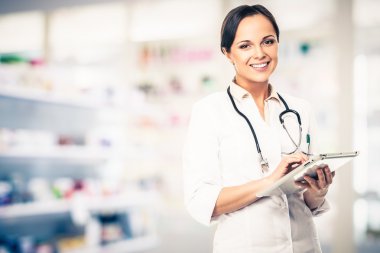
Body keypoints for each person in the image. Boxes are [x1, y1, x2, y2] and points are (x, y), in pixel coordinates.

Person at [183, 4, 334, 253]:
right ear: (227, 53)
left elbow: (307, 202)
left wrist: (318, 191)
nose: (260, 53)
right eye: (245, 46)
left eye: (268, 41)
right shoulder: (208, 111)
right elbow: (201, 200)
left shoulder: (300, 109)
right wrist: (269, 182)